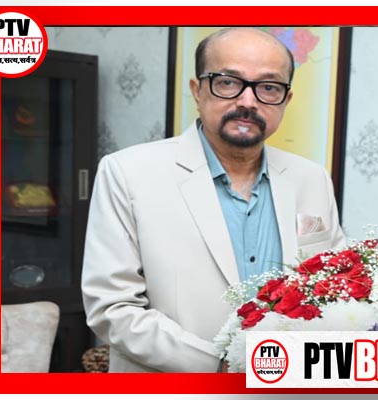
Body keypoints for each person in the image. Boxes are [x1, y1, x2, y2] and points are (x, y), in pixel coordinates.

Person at [81, 27, 345, 372]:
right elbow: (113, 309)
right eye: (228, 82)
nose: (247, 102)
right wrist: (224, 366)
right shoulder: (128, 172)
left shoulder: (311, 178)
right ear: (197, 90)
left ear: (286, 100)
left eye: (268, 87)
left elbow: (337, 284)